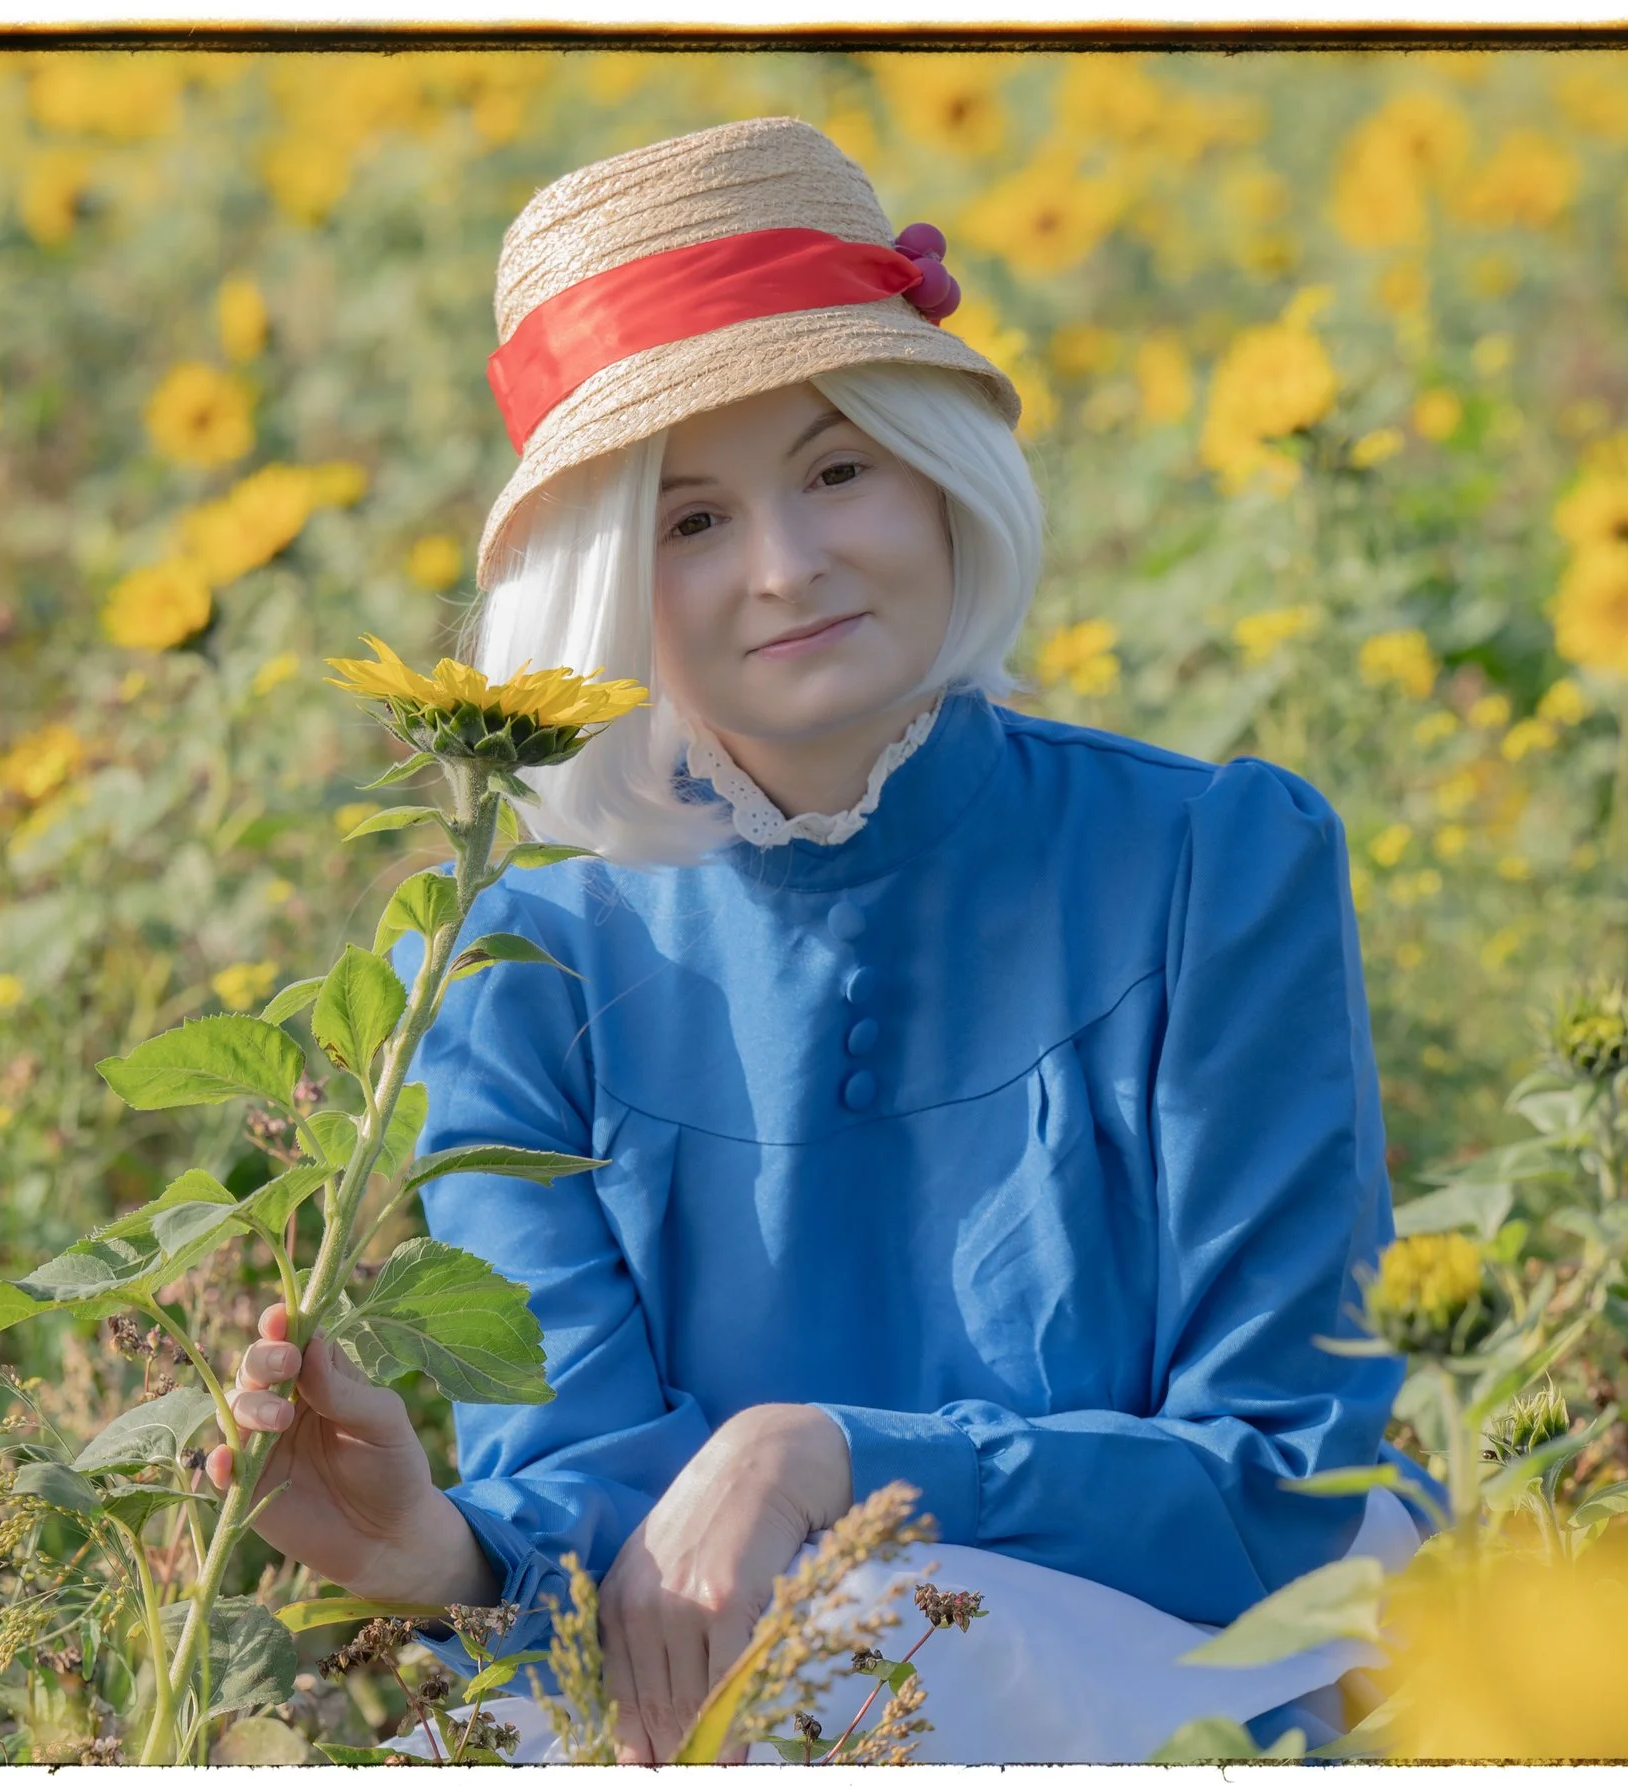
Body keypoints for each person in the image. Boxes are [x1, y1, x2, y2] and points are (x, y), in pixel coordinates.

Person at [206, 115, 1434, 1764]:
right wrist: (440, 1550)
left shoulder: (1214, 861)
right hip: (737, 1679)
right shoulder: (516, 966)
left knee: (850, 1655)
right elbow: (598, 1527)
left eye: (836, 468)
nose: (787, 568)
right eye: (689, 520)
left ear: (937, 475)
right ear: (600, 589)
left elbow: (1285, 1485)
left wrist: (826, 1455)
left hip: (1200, 1656)